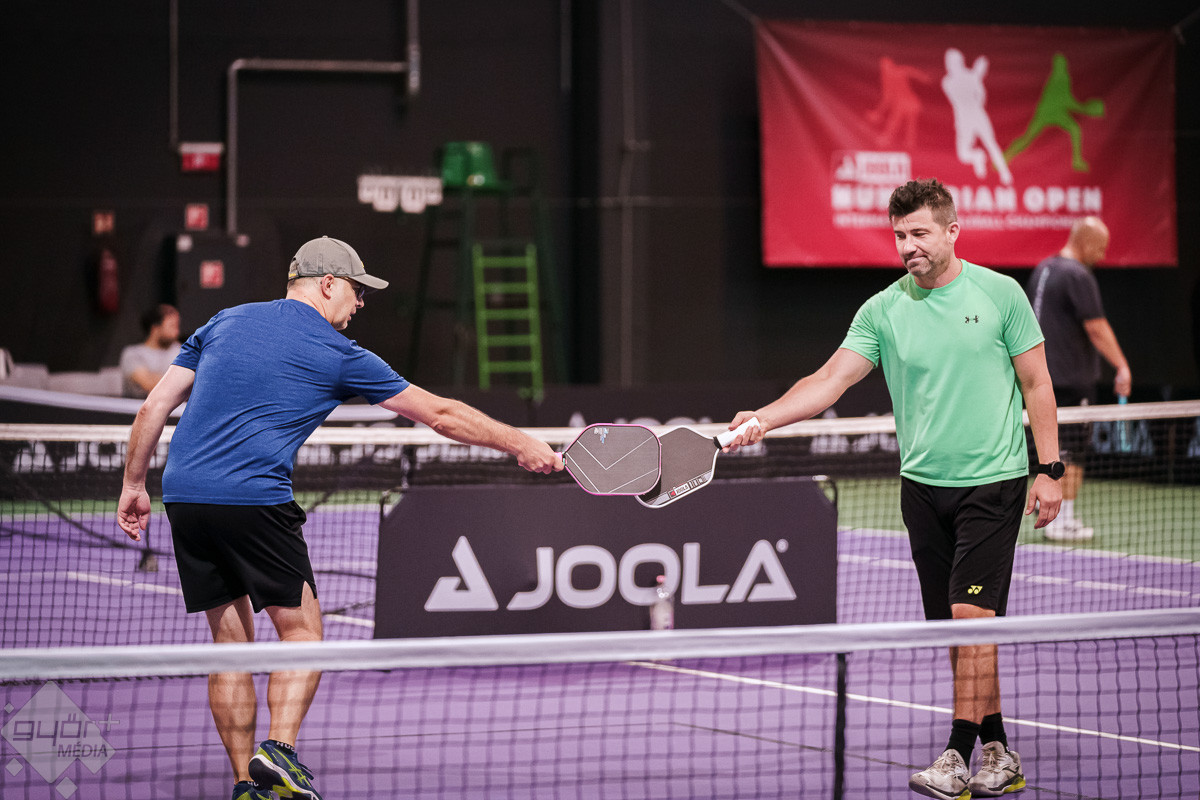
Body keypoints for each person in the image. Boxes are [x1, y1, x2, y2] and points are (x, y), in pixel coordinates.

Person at [117, 236, 562, 800]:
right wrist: (521, 443)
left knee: (229, 647)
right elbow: (442, 415)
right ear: (327, 284)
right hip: (254, 498)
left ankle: (245, 786)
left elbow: (154, 406)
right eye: (356, 291)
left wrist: (134, 485)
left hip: (184, 497)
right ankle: (278, 752)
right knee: (303, 633)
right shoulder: (339, 352)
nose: (360, 304)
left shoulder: (223, 321)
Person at [724, 179, 1062, 799]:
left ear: (952, 231)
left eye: (920, 233)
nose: (908, 246)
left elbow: (1037, 384)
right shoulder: (882, 310)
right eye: (900, 235)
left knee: (970, 617)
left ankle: (956, 755)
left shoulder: (1002, 295)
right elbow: (828, 380)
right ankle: (999, 750)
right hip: (922, 489)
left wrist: (1050, 468)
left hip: (993, 483)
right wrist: (764, 419)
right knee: (955, 630)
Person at [1027, 216, 1131, 541]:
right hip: (1072, 380)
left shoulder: (1043, 268)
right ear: (1085, 242)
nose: (1101, 256)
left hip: (1039, 379)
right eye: (1100, 248)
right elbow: (1096, 327)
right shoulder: (1077, 274)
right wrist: (1122, 366)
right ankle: (1062, 520)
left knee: (1051, 449)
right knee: (1072, 452)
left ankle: (1052, 515)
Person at [119, 304, 182, 398]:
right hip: (138, 405)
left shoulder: (179, 351)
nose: (177, 332)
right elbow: (148, 383)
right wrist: (182, 382)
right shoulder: (133, 354)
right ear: (155, 329)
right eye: (172, 326)